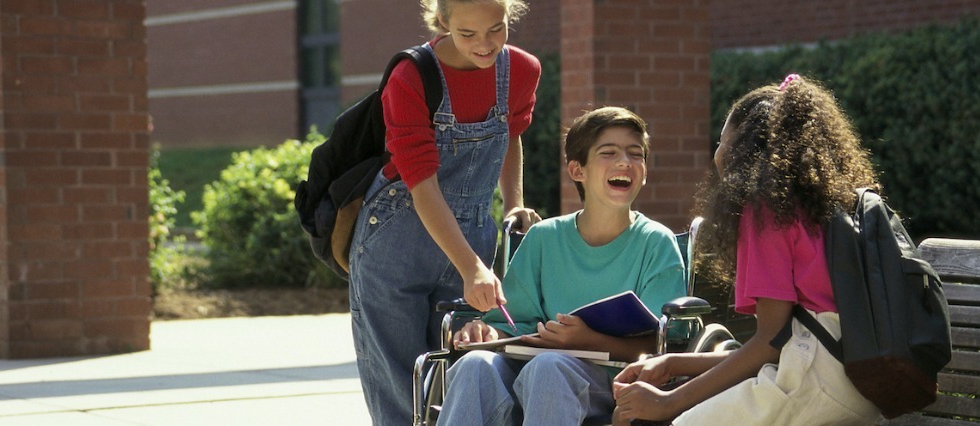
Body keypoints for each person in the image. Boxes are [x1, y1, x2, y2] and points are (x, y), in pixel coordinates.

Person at [611, 75, 885, 425]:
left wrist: (669, 403)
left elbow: (771, 343)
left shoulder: (766, 210)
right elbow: (788, 345)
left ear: (741, 148)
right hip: (853, 386)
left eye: (721, 141)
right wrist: (673, 364)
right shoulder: (821, 206)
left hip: (817, 383)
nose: (717, 154)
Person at [348, 0, 542, 423]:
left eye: (496, 29)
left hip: (471, 235)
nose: (485, 44)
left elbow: (510, 136)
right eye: (468, 34)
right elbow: (421, 183)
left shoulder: (521, 70)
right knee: (401, 391)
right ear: (442, 22)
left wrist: (515, 203)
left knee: (462, 377)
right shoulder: (410, 77)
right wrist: (471, 267)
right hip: (396, 241)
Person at [437, 106, 688, 425]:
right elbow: (513, 324)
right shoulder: (543, 238)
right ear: (577, 170)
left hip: (615, 383)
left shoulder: (656, 243)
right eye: (608, 152)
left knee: (550, 367)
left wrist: (587, 341)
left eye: (635, 154)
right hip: (530, 372)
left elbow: (665, 345)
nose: (625, 162)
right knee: (474, 365)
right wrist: (484, 330)